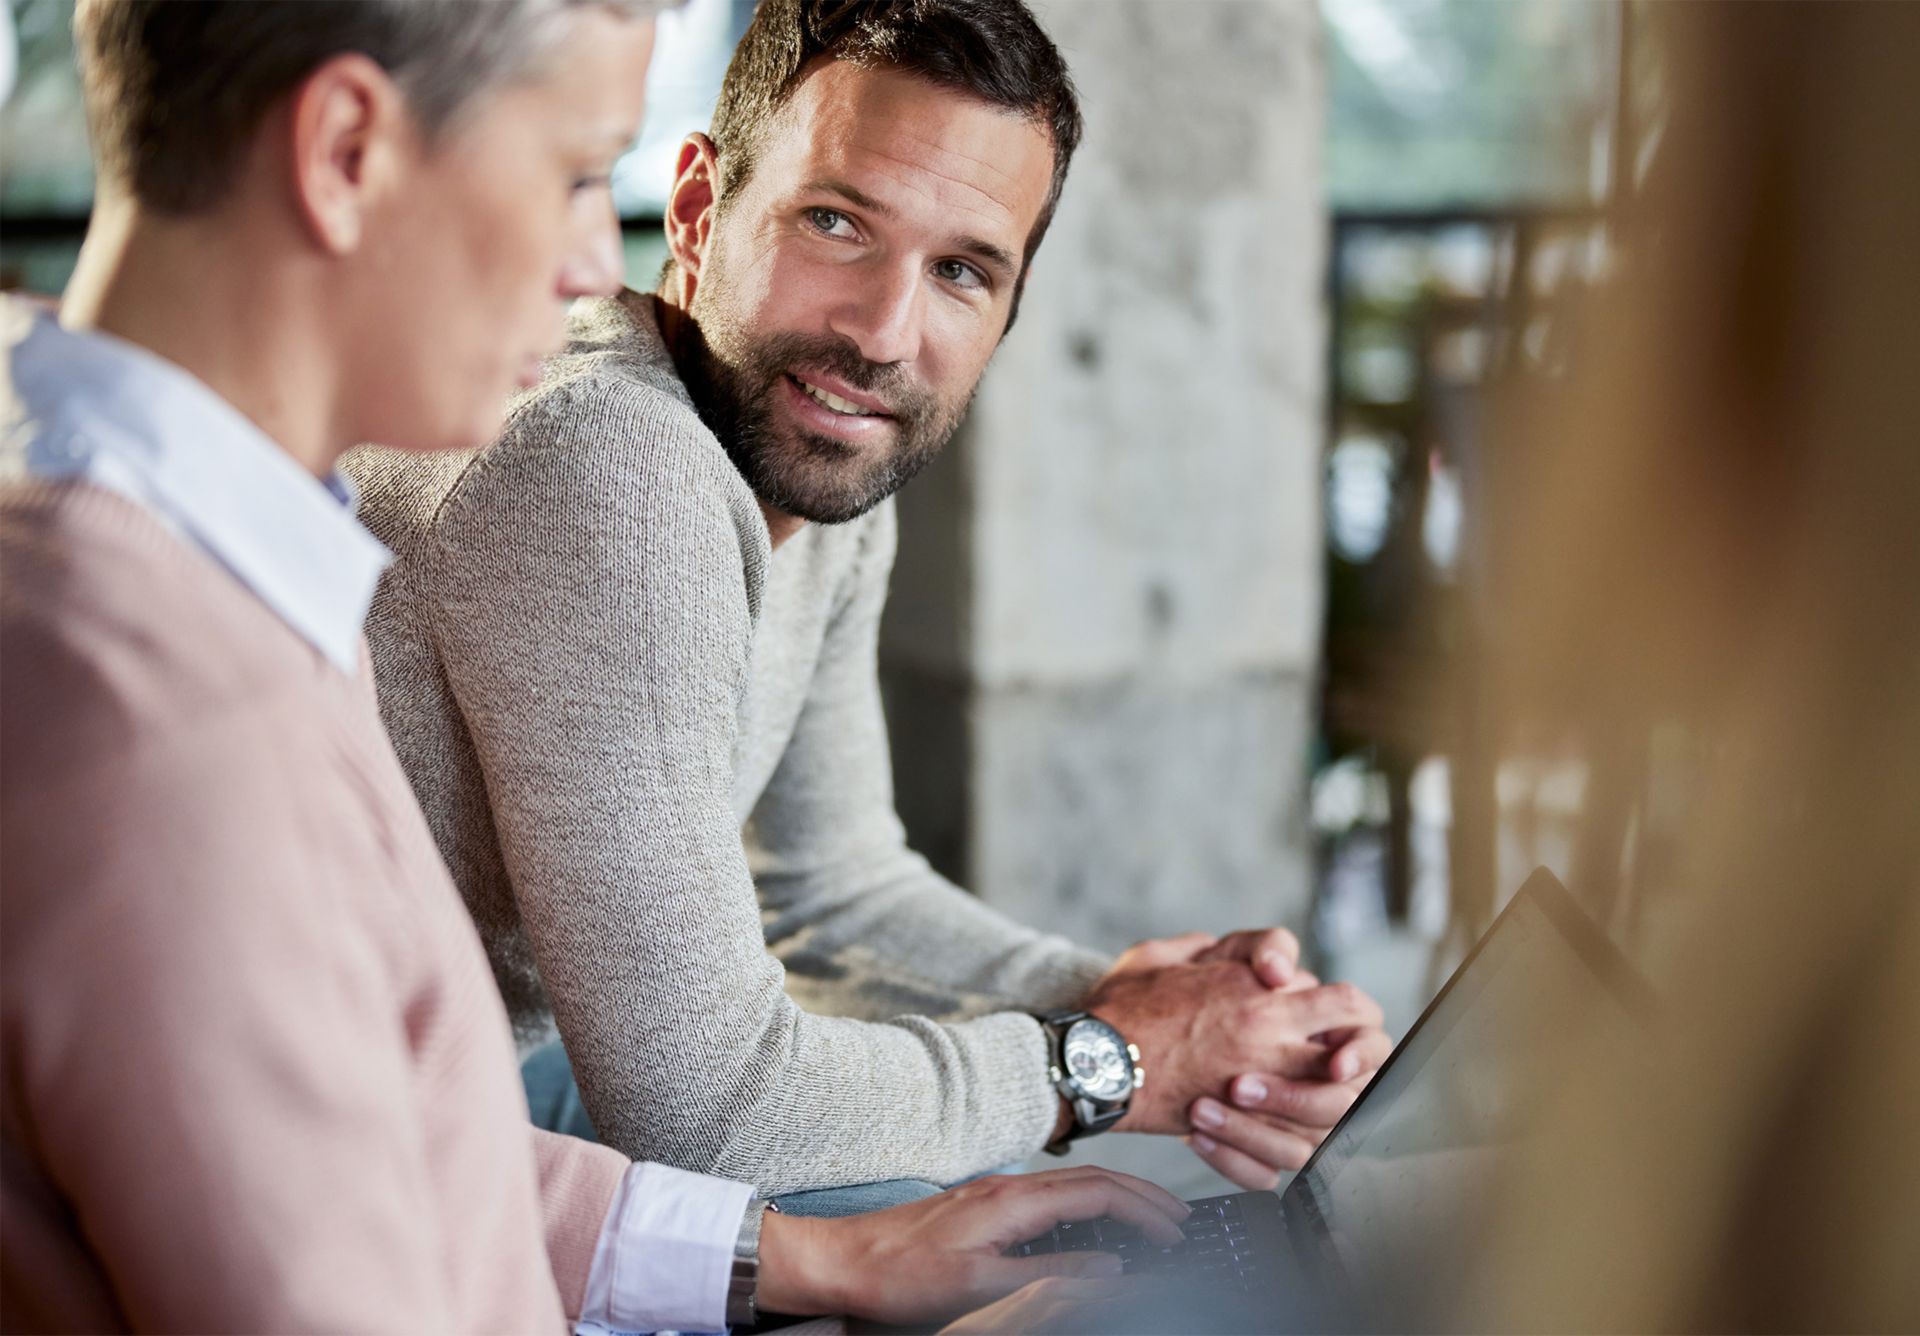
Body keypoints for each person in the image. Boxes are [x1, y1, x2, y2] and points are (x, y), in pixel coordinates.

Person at [0, 2, 1198, 1330]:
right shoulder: (163, 717)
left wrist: (818, 1253)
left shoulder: (254, 574)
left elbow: (413, 1124)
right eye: (576, 174)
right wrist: (1116, 1061)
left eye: (966, 272)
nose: (591, 265)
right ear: (346, 152)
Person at [344, 0, 1391, 1205]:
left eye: (961, 271)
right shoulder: (609, 465)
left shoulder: (820, 474)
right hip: (347, 1142)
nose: (882, 334)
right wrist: (1115, 1060)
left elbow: (832, 891)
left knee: (1009, 1204)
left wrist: (1136, 1006)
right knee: (1030, 1226)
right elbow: (706, 1109)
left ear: (1006, 314)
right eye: (836, 223)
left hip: (494, 1077)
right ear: (696, 210)